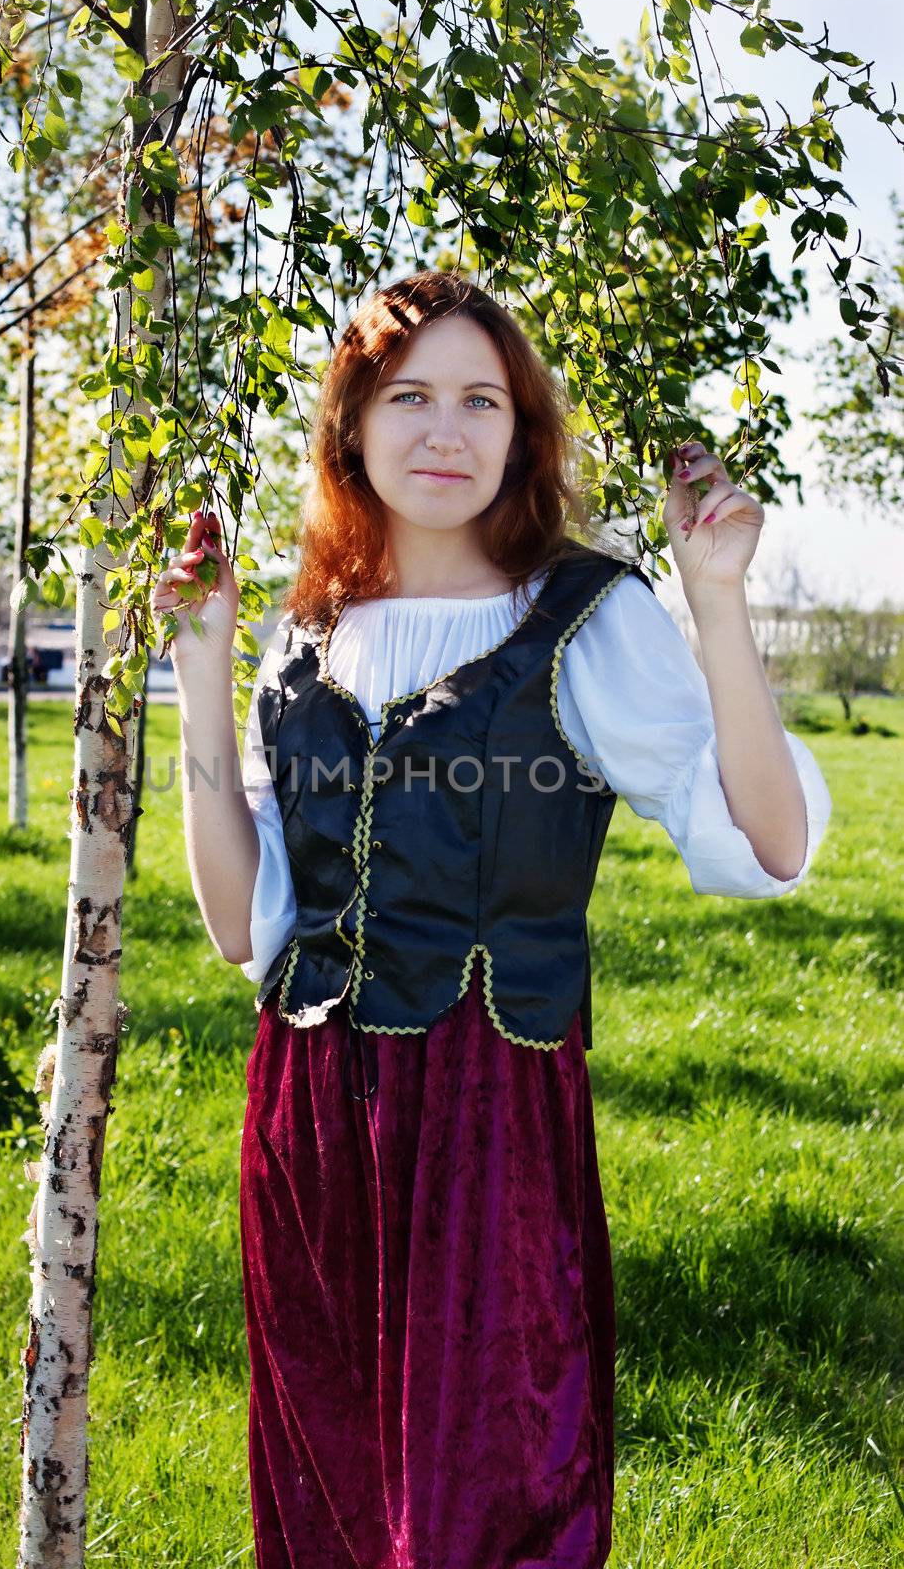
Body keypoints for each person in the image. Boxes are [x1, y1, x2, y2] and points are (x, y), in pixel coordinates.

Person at [150, 270, 832, 1569]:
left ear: (524, 433)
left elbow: (768, 841)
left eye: (482, 399)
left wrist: (720, 605)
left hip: (486, 1121)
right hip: (302, 1115)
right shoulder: (303, 635)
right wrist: (202, 673)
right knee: (328, 1503)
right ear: (350, 425)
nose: (447, 430)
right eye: (409, 397)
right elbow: (245, 931)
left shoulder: (582, 615)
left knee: (488, 1507)